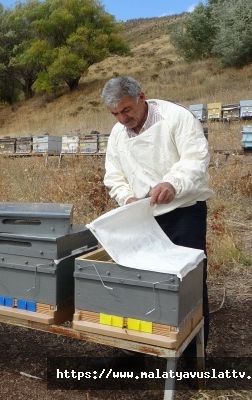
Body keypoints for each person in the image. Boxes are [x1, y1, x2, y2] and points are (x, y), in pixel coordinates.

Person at [101, 76, 214, 361]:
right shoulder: (117, 133)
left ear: (141, 97)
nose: (122, 118)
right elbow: (114, 175)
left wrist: (172, 183)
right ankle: (139, 346)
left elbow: (195, 159)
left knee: (186, 280)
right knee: (139, 277)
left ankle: (191, 356)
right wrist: (127, 198)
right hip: (141, 215)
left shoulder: (176, 117)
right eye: (115, 113)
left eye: (126, 110)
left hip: (184, 210)